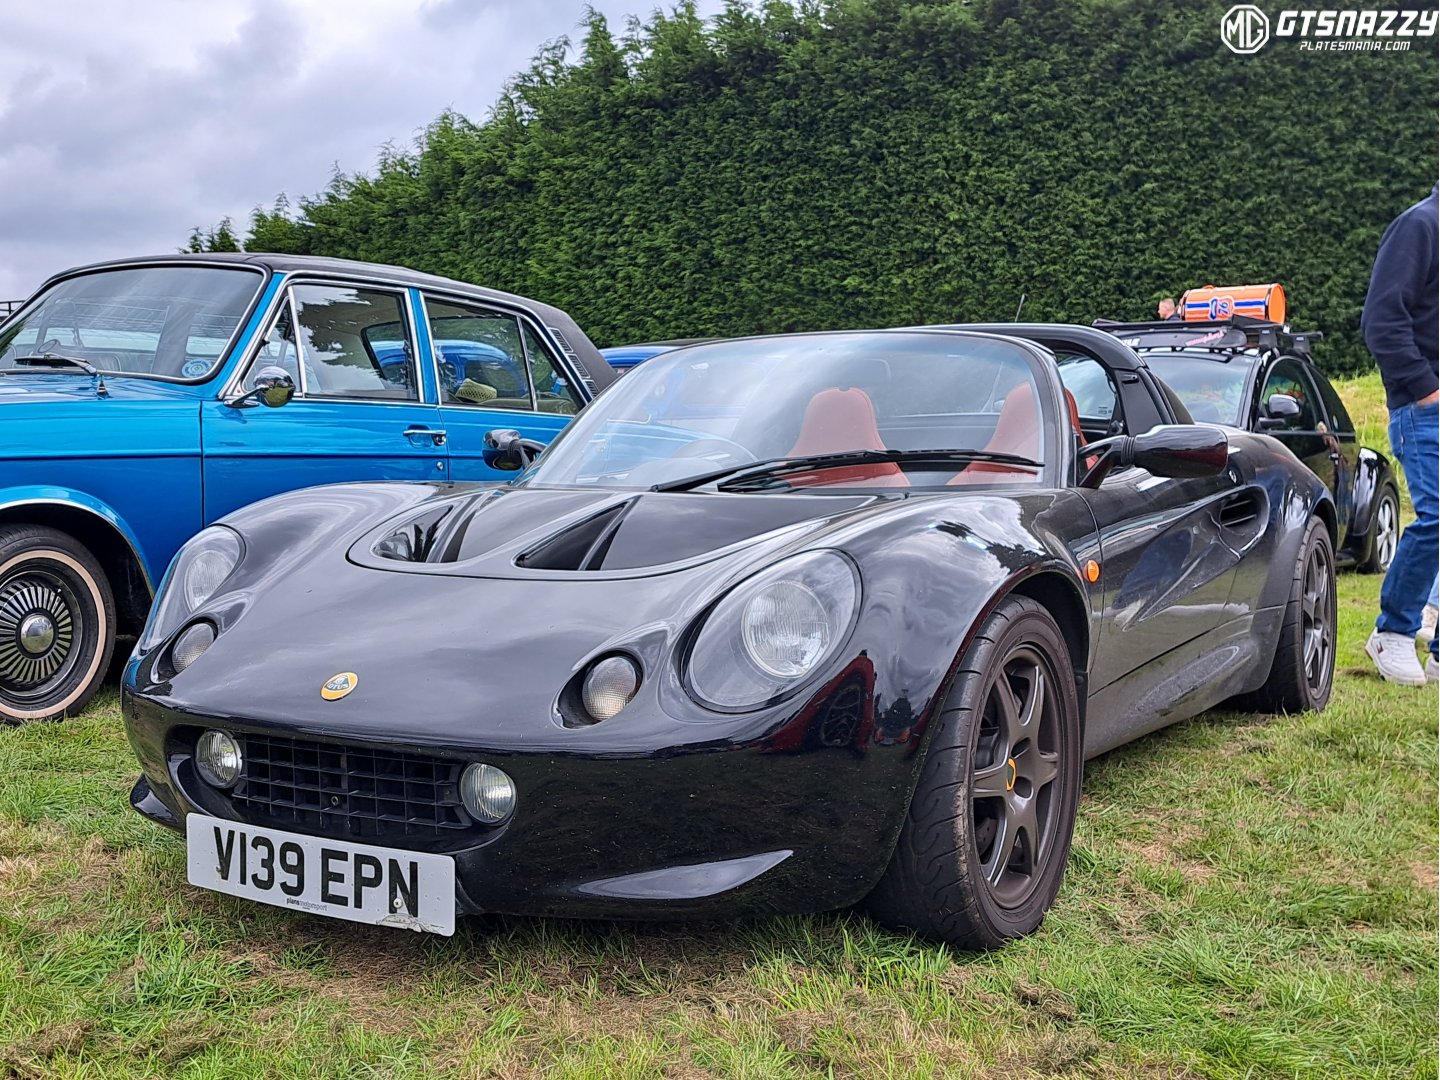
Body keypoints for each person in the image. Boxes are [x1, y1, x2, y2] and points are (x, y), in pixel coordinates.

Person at [1362, 184, 1439, 687]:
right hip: (1423, 409)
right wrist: (1427, 390)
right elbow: (1381, 321)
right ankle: (1392, 632)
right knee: (1437, 519)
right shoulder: (1421, 226)